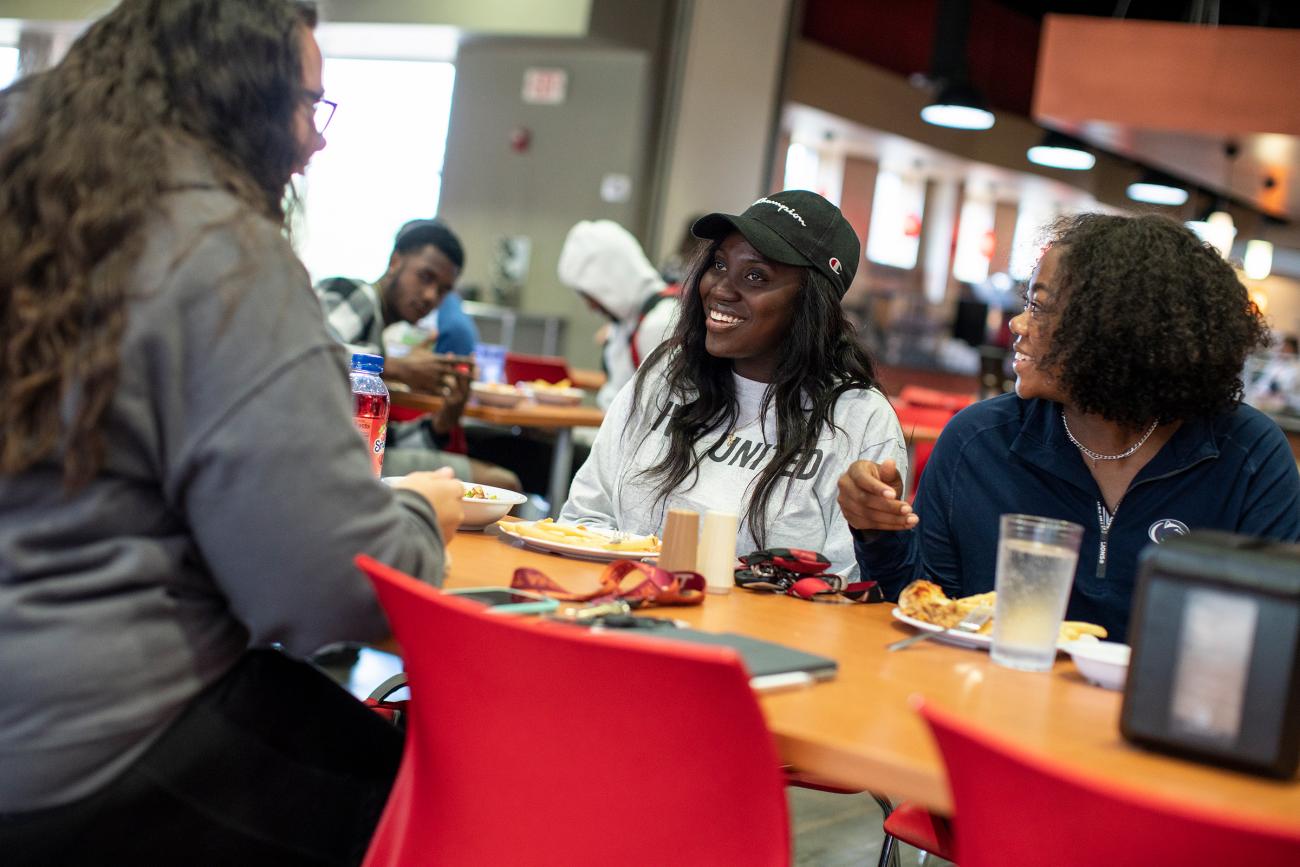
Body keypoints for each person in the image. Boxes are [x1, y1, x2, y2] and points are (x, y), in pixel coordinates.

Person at [0, 2, 464, 863]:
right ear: (235, 99)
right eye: (308, 104)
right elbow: (331, 587)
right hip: (96, 749)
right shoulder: (216, 251)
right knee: (443, 801)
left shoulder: (35, 202)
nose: (317, 140)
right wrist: (425, 516)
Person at [840, 213, 1300, 641]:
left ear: (1119, 328)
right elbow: (927, 612)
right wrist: (878, 532)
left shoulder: (1247, 455)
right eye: (1026, 302)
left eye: (1040, 307)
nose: (1017, 324)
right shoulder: (978, 443)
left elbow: (1273, 636)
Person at [561, 191, 906, 576]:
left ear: (811, 303)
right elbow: (584, 517)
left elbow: (845, 587)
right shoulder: (667, 374)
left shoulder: (859, 418)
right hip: (623, 616)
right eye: (720, 265)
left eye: (756, 276)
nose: (721, 289)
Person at [315, 219, 520, 489]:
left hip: (354, 456)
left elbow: (379, 440)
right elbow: (310, 358)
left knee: (498, 483)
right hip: (325, 460)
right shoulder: (356, 293)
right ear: (395, 262)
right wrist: (398, 368)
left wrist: (441, 424)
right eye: (425, 277)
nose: (430, 296)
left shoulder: (379, 331)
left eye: (444, 290)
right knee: (501, 483)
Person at [557, 219, 679, 410]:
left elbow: (657, 410)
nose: (590, 306)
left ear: (608, 281)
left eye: (589, 295)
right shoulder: (626, 322)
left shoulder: (660, 323)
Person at [1246, 333, 1300, 414]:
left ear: (1293, 349)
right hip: (1266, 397)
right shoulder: (1274, 364)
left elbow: (1288, 388)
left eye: (1287, 348)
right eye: (1283, 347)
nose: (1283, 350)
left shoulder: (1296, 367)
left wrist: (1274, 392)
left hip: (1286, 401)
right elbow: (1263, 382)